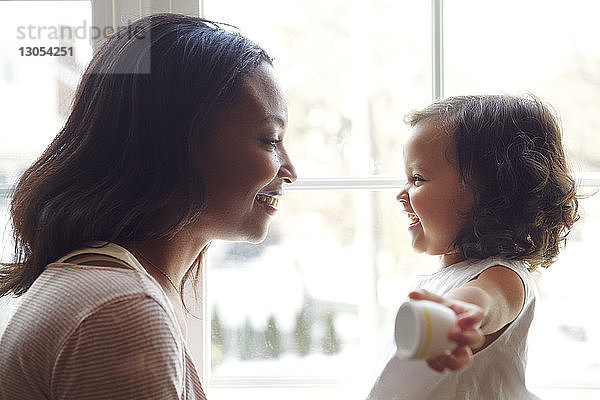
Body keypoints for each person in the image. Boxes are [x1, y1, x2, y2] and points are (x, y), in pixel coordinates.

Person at [0, 13, 296, 400]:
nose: (290, 171)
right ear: (178, 142)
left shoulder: (104, 288)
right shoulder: (119, 314)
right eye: (270, 140)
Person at [367, 95, 578, 400]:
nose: (402, 194)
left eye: (417, 178)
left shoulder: (503, 278)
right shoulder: (443, 279)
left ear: (489, 193)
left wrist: (461, 313)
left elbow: (487, 299)